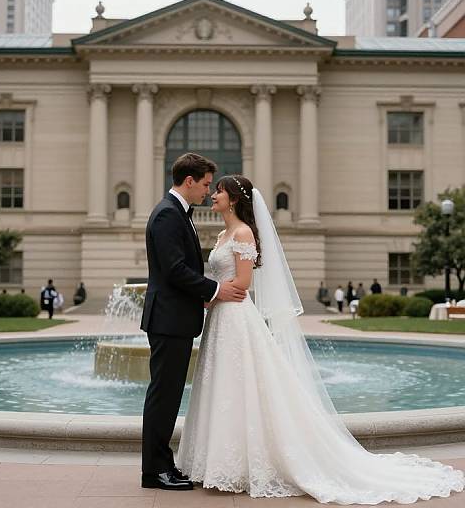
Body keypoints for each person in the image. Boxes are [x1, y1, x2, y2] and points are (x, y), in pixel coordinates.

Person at [177, 175, 465, 503]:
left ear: (234, 198)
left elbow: (242, 283)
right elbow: (218, 279)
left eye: (219, 191)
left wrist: (211, 295)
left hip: (235, 317)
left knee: (238, 385)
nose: (213, 195)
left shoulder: (242, 233)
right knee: (222, 385)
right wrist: (206, 295)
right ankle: (217, 462)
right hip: (219, 319)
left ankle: (240, 465)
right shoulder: (223, 234)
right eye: (213, 190)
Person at [140, 153, 247, 491]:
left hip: (175, 317)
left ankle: (162, 464)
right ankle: (155, 470)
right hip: (169, 320)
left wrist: (204, 294)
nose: (206, 191)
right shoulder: (168, 215)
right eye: (204, 184)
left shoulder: (174, 213)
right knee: (164, 395)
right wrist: (216, 289)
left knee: (169, 395)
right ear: (189, 181)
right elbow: (174, 270)